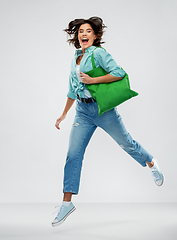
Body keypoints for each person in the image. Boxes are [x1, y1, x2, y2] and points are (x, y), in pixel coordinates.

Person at [52, 17, 164, 227]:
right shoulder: (75, 57)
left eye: (88, 31)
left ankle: (150, 162)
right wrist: (64, 114)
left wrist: (94, 80)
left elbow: (119, 73)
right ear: (77, 37)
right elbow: (71, 90)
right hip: (82, 112)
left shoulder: (99, 53)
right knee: (73, 155)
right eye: (80, 32)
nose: (83, 34)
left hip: (103, 110)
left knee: (127, 144)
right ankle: (66, 203)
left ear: (95, 36)